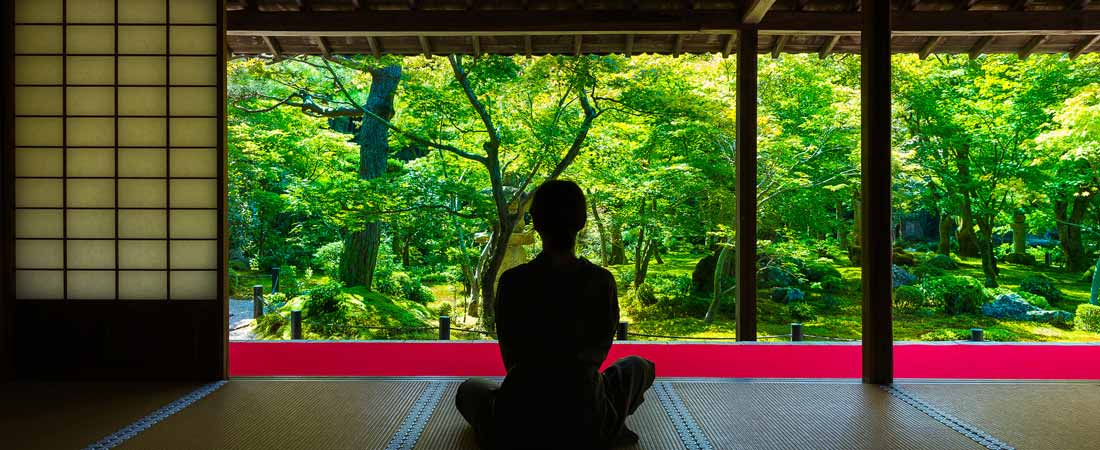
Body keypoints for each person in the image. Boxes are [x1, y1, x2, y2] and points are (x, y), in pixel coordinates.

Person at [456, 180, 656, 450]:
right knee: (639, 366)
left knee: (469, 389)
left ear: (535, 222)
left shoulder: (513, 282)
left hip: (520, 416)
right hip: (587, 412)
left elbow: (511, 358)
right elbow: (597, 354)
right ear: (582, 222)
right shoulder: (601, 281)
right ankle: (605, 426)